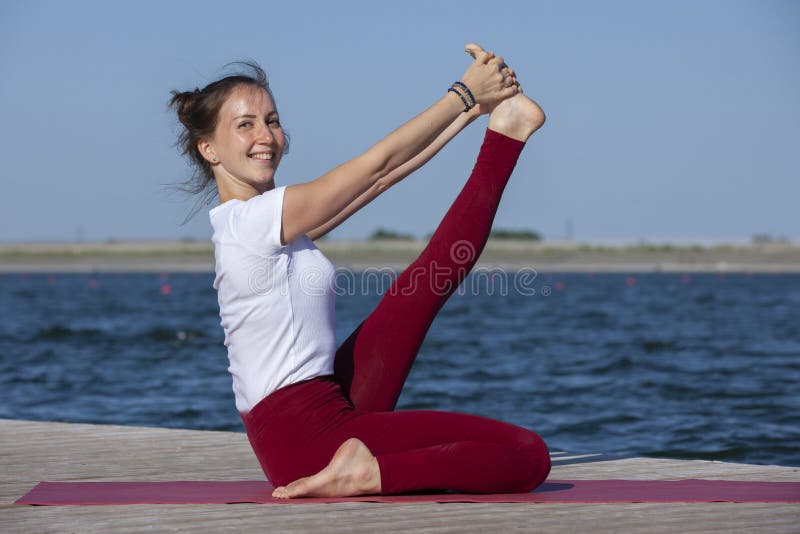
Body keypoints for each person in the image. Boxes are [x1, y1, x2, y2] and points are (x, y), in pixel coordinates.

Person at [170, 43, 550, 499]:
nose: (266, 136)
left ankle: (506, 131)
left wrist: (473, 114)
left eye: (271, 121)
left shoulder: (269, 221)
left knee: (423, 285)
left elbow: (385, 177)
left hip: (318, 407)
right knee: (529, 456)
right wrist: (464, 94)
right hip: (305, 438)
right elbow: (377, 165)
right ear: (208, 148)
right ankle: (367, 475)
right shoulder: (250, 223)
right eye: (245, 125)